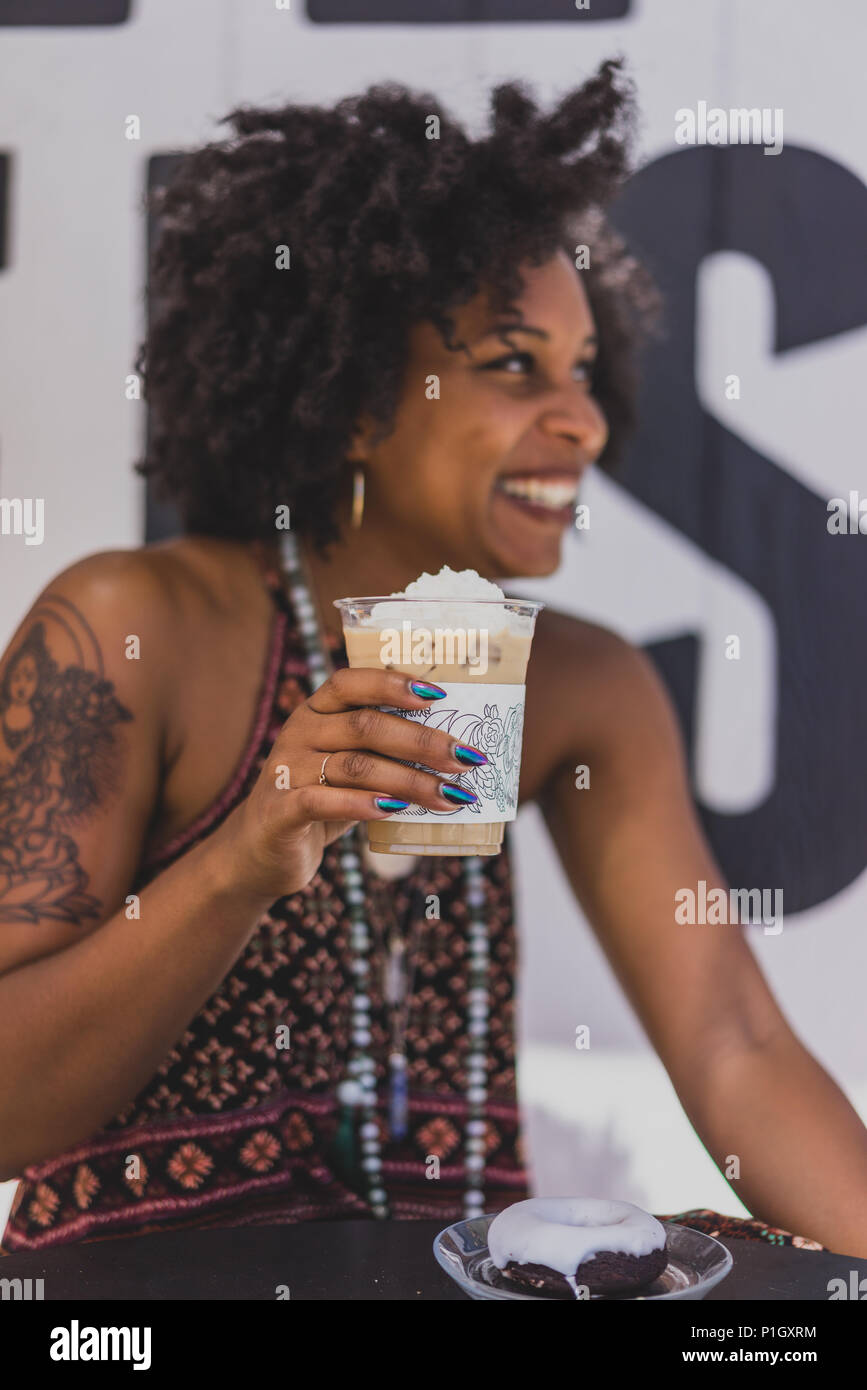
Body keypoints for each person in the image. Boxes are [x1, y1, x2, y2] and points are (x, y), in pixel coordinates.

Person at [2, 61, 865, 1258]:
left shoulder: (581, 688)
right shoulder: (130, 624)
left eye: (583, 368)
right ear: (356, 398)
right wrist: (241, 862)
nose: (584, 420)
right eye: (516, 364)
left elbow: (736, 1045)